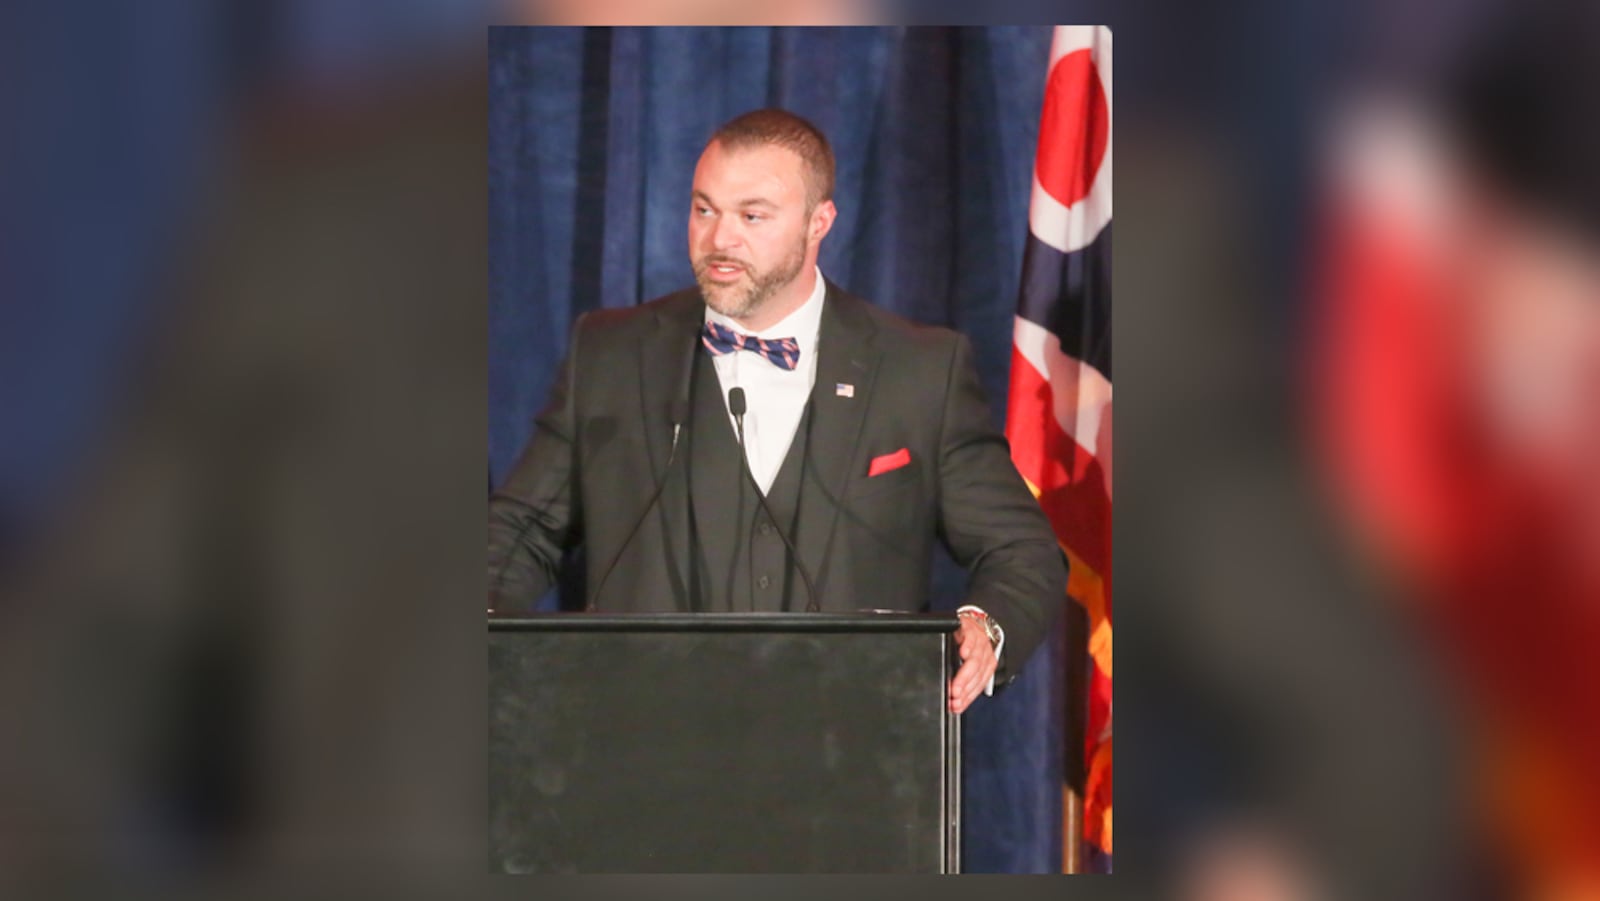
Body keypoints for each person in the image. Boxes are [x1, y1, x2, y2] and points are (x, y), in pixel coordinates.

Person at [488, 108, 1066, 714]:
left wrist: (984, 626)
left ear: (820, 222)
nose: (719, 240)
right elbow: (521, 532)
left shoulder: (919, 369)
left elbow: (1021, 550)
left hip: (856, 754)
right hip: (641, 747)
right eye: (704, 209)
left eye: (752, 216)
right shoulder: (611, 354)